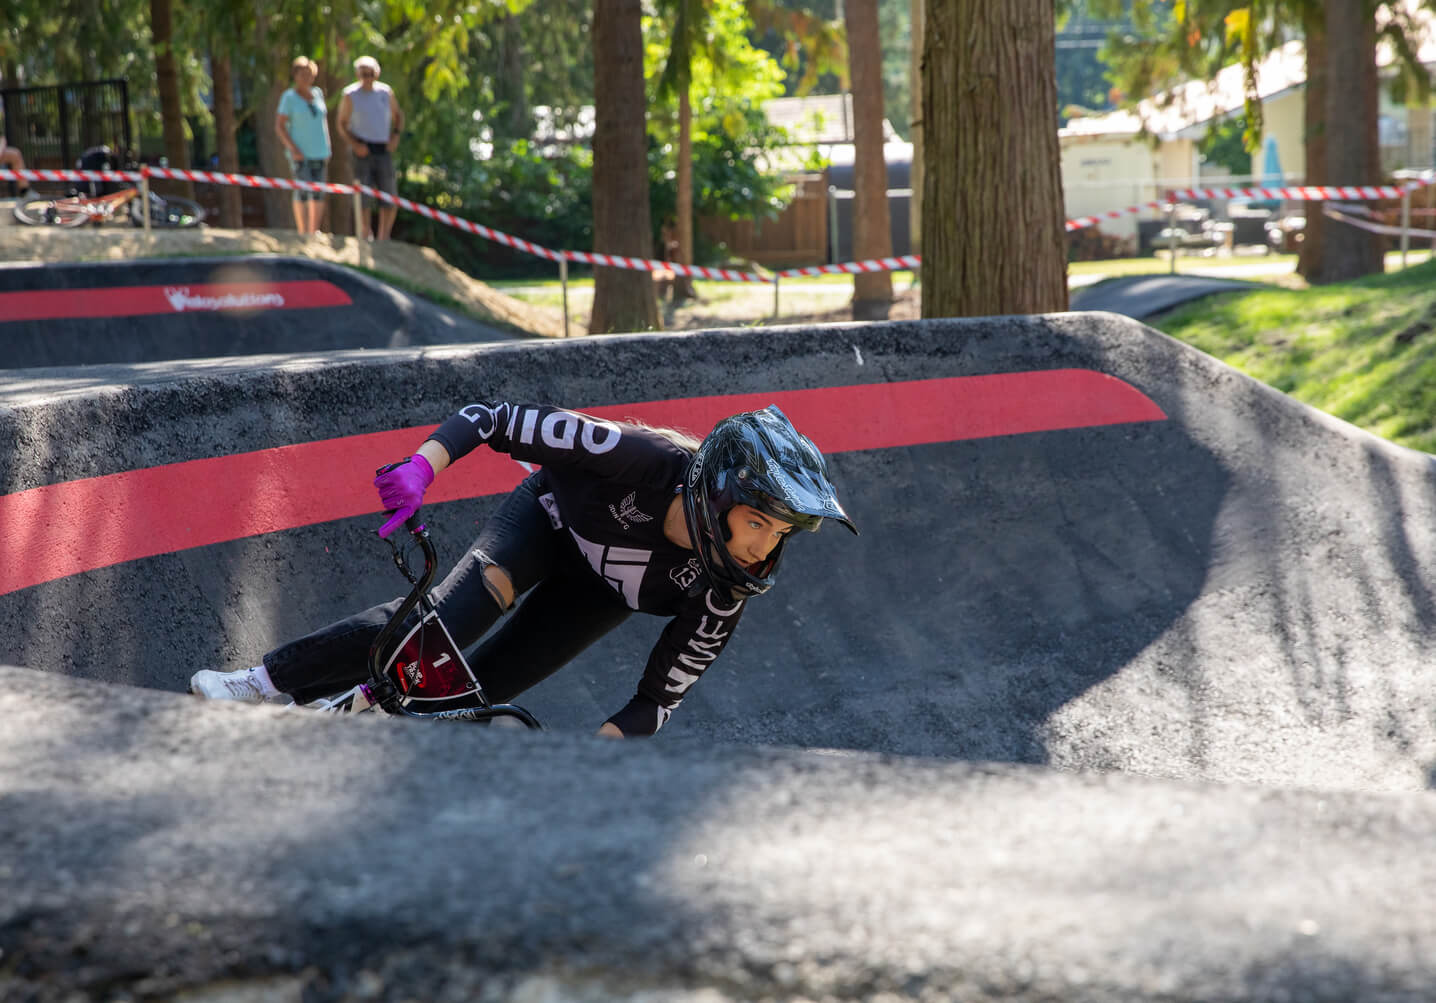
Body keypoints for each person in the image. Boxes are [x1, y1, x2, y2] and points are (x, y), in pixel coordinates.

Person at [190, 401, 858, 737]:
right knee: (435, 635)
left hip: (593, 597)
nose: (763, 551)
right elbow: (494, 416)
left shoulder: (723, 593)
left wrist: (581, 770)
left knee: (468, 696)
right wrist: (423, 467)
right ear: (719, 495)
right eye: (760, 524)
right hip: (546, 521)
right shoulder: (640, 458)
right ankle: (260, 682)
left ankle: (351, 722)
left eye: (781, 535)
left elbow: (654, 703)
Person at [336, 55, 404, 241]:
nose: (367, 77)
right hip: (362, 149)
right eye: (363, 73)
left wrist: (395, 135)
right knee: (363, 197)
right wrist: (355, 145)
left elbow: (398, 115)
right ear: (358, 74)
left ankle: (384, 236)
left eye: (370, 73)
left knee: (388, 194)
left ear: (376, 73)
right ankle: (365, 233)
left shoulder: (385, 92)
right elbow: (341, 124)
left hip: (383, 148)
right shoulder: (350, 95)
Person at [275, 56, 332, 235]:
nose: (306, 77)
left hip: (320, 152)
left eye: (309, 74)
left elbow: (323, 123)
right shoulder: (289, 97)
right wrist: (293, 149)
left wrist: (328, 147)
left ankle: (314, 231)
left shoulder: (318, 94)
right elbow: (280, 126)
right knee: (302, 192)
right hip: (300, 154)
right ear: (295, 75)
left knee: (318, 192)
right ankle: (302, 231)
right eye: (302, 74)